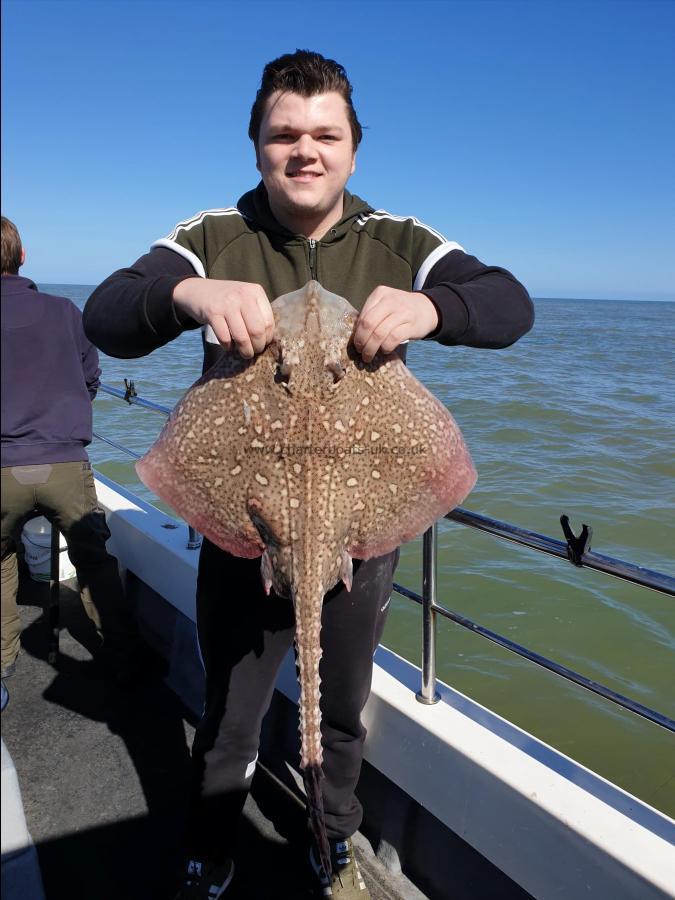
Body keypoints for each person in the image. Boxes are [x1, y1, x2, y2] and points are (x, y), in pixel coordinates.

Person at [84, 50, 534, 899]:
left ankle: (331, 840)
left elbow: (510, 305)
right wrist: (188, 297)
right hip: (244, 524)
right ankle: (207, 843)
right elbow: (108, 313)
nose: (305, 150)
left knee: (341, 706)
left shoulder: (398, 240)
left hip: (361, 529)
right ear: (256, 144)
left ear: (353, 149)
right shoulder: (216, 234)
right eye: (283, 134)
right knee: (232, 708)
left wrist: (435, 307)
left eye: (325, 134)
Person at [1, 216, 143, 687]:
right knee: (94, 560)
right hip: (65, 461)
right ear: (23, 257)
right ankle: (121, 652)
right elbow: (90, 378)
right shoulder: (66, 311)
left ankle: (2, 663)